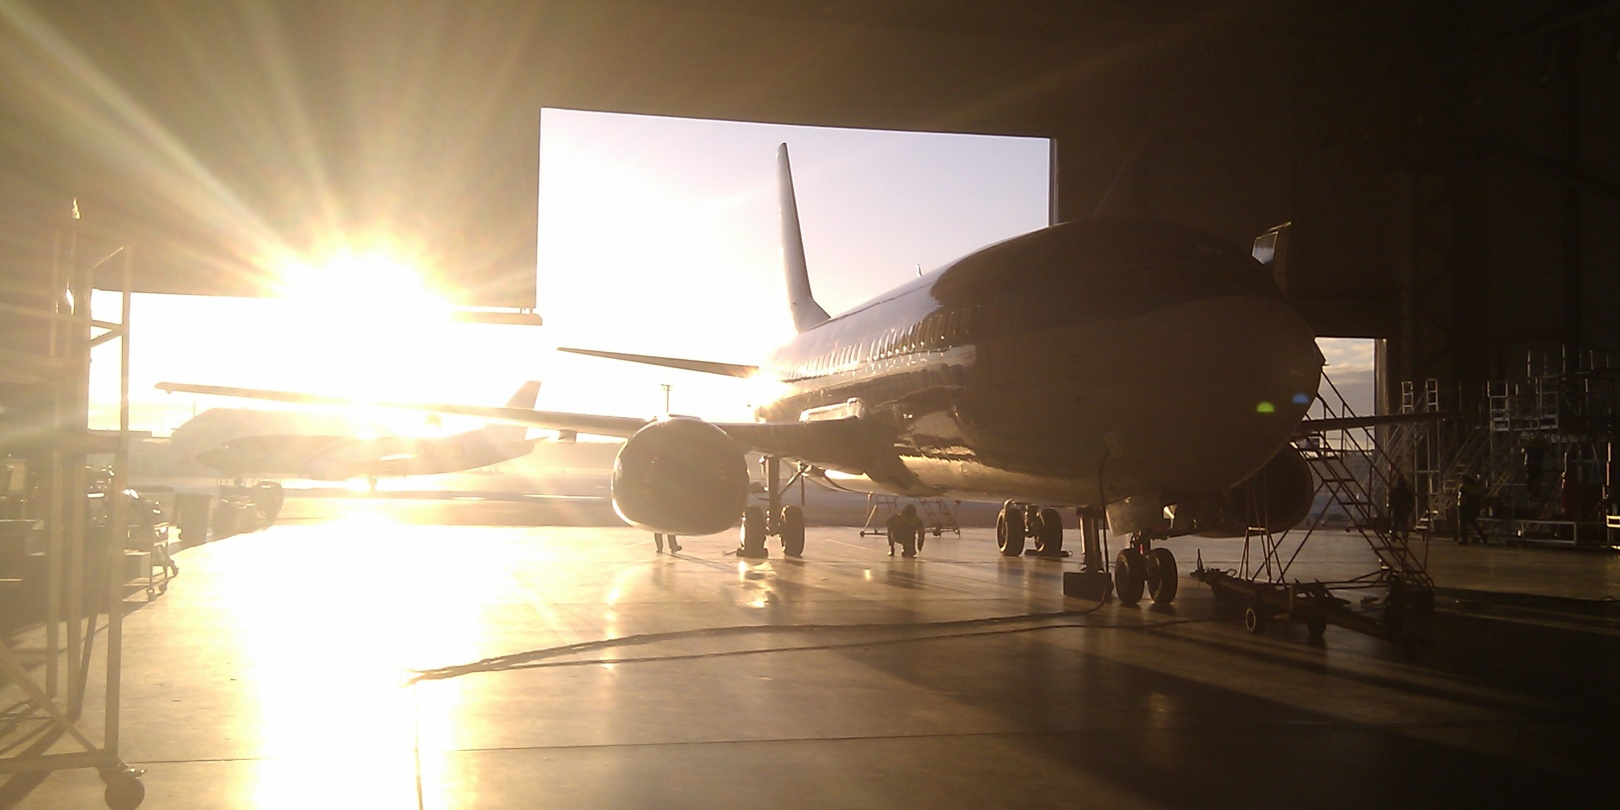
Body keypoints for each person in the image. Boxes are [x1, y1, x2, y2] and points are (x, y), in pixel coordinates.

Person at [1456, 474, 1487, 545]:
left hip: (1464, 507)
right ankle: (1483, 537)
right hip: (1473, 508)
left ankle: (1464, 539)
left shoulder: (1463, 487)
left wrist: (1460, 506)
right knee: (1474, 523)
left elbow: (1461, 497)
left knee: (1463, 524)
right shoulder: (1476, 487)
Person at [1388, 474, 1415, 541]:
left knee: (1395, 523)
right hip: (1403, 509)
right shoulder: (1407, 491)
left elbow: (1391, 500)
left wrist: (1391, 507)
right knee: (1404, 524)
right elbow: (1412, 501)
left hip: (1397, 509)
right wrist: (1409, 509)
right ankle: (1404, 536)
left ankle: (1394, 536)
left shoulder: (1395, 491)